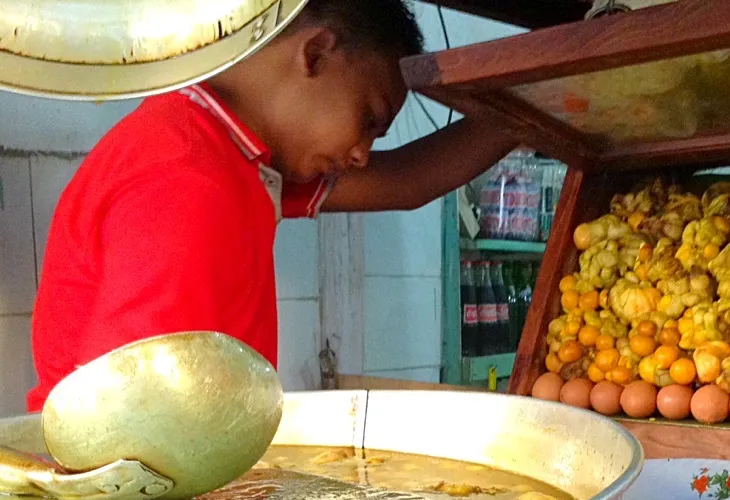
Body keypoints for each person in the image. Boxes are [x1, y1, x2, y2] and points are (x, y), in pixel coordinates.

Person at [27, 0, 516, 411]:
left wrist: (539, 109)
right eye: (369, 119)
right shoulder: (189, 176)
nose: (362, 154)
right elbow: (131, 408)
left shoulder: (240, 156)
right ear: (317, 54)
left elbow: (408, 182)